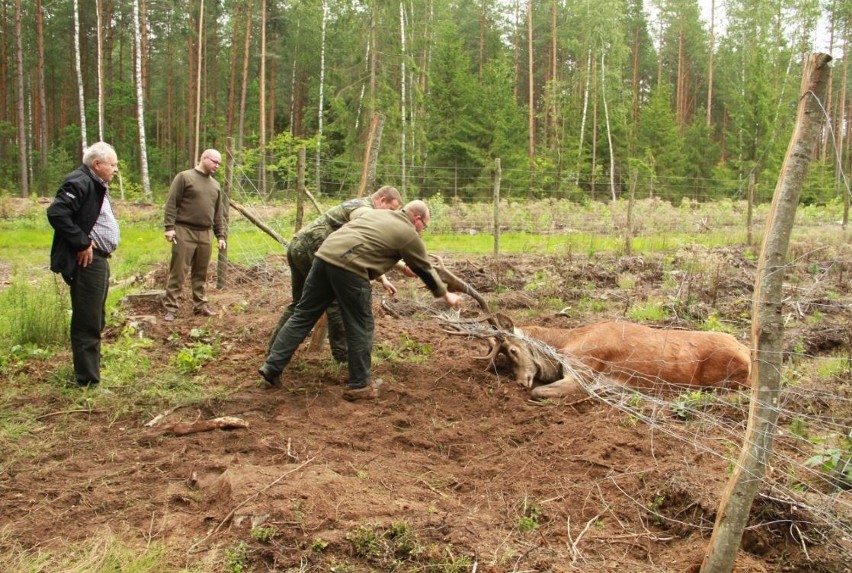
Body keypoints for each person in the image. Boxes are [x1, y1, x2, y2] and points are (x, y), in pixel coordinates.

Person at [259, 200, 463, 401]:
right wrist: (446, 295)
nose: (423, 230)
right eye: (424, 226)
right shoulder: (408, 233)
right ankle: (360, 385)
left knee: (303, 314)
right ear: (417, 219)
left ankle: (271, 367)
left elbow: (368, 241)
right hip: (350, 268)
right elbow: (424, 268)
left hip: (323, 257)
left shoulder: (377, 213)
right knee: (360, 325)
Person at [267, 185, 404, 362]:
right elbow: (361, 219)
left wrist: (383, 278)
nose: (390, 215)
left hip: (299, 246)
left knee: (299, 305)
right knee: (334, 302)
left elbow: (361, 249)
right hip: (312, 251)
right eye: (391, 210)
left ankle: (273, 353)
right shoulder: (364, 209)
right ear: (382, 200)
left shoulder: (361, 205)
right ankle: (343, 356)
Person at [46, 142, 121, 389]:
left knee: (95, 316)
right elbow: (57, 213)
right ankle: (87, 381)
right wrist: (81, 242)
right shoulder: (79, 181)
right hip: (87, 260)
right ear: (97, 164)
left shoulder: (95, 183)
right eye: (112, 165)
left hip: (99, 259)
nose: (115, 169)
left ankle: (91, 369)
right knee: (87, 320)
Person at [162, 149, 227, 321]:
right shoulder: (184, 177)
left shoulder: (215, 185)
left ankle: (200, 306)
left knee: (201, 273)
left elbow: (218, 213)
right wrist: (169, 227)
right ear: (204, 158)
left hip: (206, 233)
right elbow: (171, 202)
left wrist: (220, 236)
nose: (217, 166)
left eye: (219, 163)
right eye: (214, 161)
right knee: (178, 271)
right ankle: (171, 308)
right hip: (184, 231)